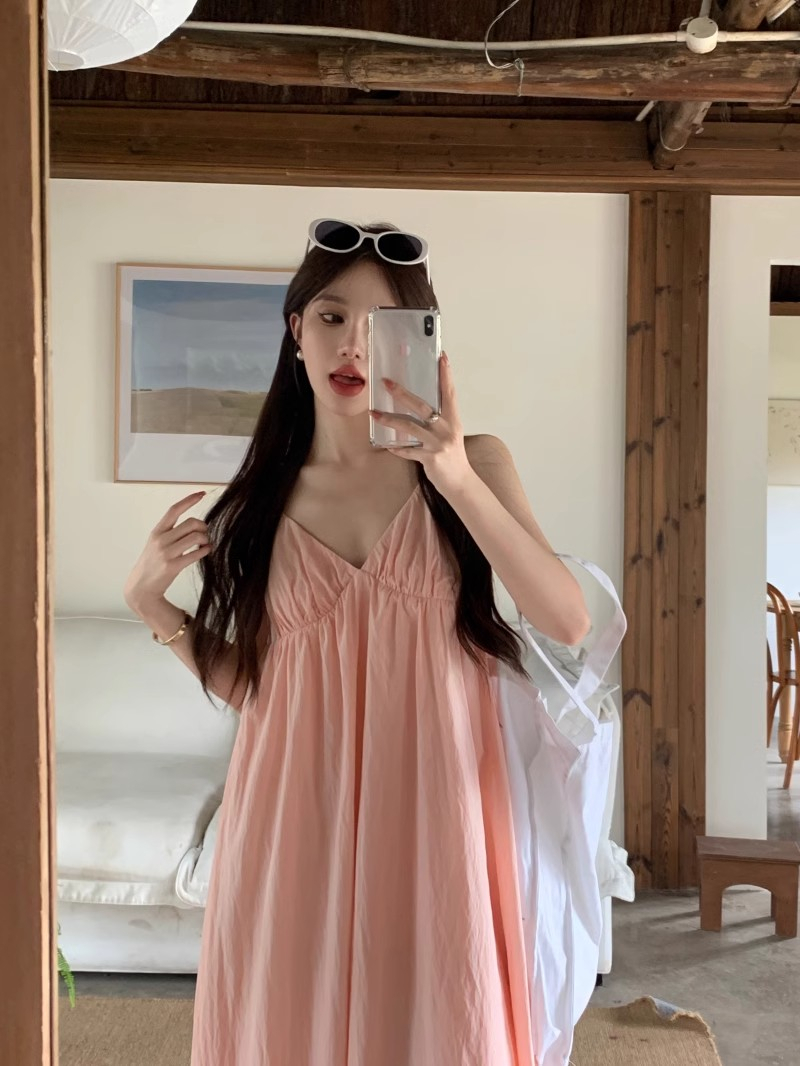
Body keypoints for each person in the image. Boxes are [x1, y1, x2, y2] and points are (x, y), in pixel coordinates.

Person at [123, 219, 591, 1066]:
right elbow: (260, 687)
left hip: (438, 804)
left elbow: (567, 621)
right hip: (290, 810)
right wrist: (150, 604)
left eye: (384, 326)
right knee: (288, 1023)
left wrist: (452, 476)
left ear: (424, 341)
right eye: (333, 317)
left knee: (440, 1019)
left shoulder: (474, 465)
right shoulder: (257, 502)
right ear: (295, 330)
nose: (352, 345)